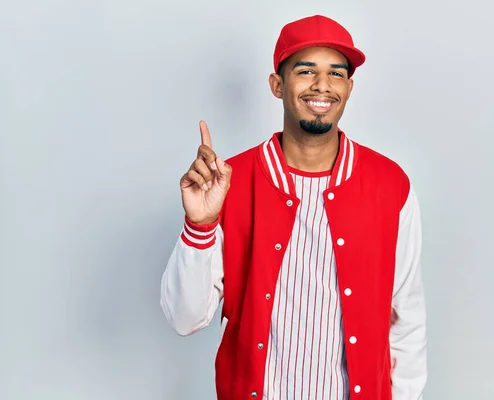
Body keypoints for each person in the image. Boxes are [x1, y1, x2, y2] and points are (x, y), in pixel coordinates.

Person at [160, 14, 427, 400]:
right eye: (306, 71)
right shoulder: (229, 183)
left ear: (349, 88)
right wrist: (200, 224)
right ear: (276, 84)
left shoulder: (390, 185)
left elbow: (407, 319)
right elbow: (185, 318)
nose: (322, 85)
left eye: (336, 74)